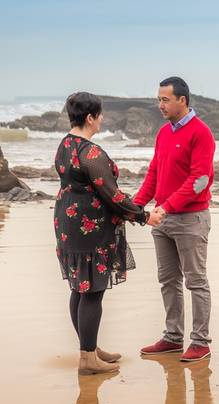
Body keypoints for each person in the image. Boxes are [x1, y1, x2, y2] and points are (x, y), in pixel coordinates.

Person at [53, 91, 165, 375]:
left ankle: (88, 348)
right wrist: (143, 216)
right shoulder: (91, 152)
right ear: (90, 118)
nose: (102, 119)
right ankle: (88, 360)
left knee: (79, 288)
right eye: (99, 115)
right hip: (89, 228)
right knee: (93, 291)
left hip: (67, 223)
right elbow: (112, 195)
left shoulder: (65, 145)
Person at [133, 77, 215, 362]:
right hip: (162, 219)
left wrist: (166, 207)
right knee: (168, 280)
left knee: (196, 281)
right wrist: (134, 206)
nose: (160, 105)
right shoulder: (163, 133)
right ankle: (172, 337)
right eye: (159, 99)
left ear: (182, 100)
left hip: (190, 219)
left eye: (165, 99)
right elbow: (154, 173)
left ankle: (201, 342)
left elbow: (200, 180)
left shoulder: (200, 133)